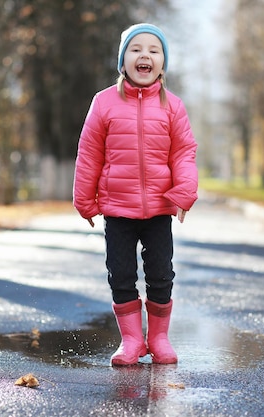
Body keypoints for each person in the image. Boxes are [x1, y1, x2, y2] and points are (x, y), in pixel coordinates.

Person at [73, 23, 198, 366]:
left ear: (162, 64)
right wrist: (85, 200)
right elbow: (89, 153)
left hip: (159, 209)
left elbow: (184, 152)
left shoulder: (172, 106)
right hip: (117, 209)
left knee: (161, 274)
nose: (145, 55)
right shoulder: (103, 103)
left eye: (154, 51)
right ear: (123, 61)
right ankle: (131, 340)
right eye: (136, 49)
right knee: (121, 273)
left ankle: (158, 338)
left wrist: (184, 191)